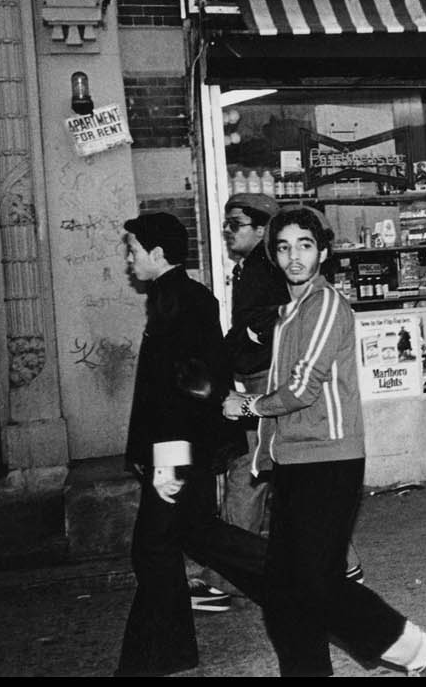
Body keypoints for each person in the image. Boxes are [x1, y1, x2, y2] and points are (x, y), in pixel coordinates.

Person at [222, 206, 426, 676]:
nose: (294, 257)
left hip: (329, 459)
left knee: (315, 583)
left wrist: (248, 407)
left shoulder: (325, 304)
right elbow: (286, 384)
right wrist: (265, 445)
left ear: (322, 252)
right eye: (283, 247)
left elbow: (304, 386)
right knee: (285, 591)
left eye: (304, 245)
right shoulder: (290, 313)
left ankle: (419, 652)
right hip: (295, 458)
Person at [115, 212, 248, 676]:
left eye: (133, 250)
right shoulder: (174, 298)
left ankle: (159, 659)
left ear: (157, 253)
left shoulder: (179, 301)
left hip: (178, 453)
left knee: (153, 549)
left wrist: (166, 462)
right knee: (191, 537)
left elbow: (186, 389)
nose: (129, 260)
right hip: (182, 450)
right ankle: (168, 656)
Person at [182, 192, 289, 614]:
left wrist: (239, 343)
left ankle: (226, 579)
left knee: (247, 470)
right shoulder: (250, 268)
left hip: (262, 379)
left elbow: (273, 320)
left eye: (235, 224)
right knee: (278, 469)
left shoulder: (264, 267)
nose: (227, 231)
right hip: (256, 377)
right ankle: (339, 560)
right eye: (226, 224)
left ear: (263, 229)